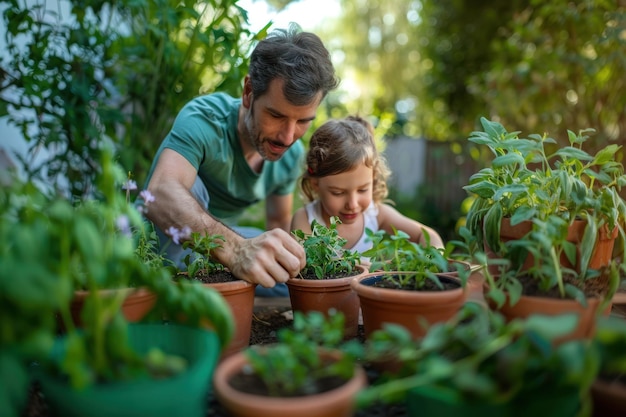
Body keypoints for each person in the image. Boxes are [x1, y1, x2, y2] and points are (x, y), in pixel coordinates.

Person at [143, 24, 339, 297]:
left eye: (303, 121)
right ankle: (176, 287)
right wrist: (236, 251)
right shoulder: (204, 120)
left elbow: (279, 228)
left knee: (291, 268)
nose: (287, 136)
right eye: (277, 116)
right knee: (191, 189)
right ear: (248, 92)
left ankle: (216, 285)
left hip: (216, 247)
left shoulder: (290, 155)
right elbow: (160, 193)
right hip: (159, 243)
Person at [290, 115, 445, 256]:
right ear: (315, 184)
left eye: (363, 189)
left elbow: (427, 235)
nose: (352, 204)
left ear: (373, 178)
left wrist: (435, 260)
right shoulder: (306, 219)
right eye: (338, 192)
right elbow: (306, 264)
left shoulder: (376, 215)